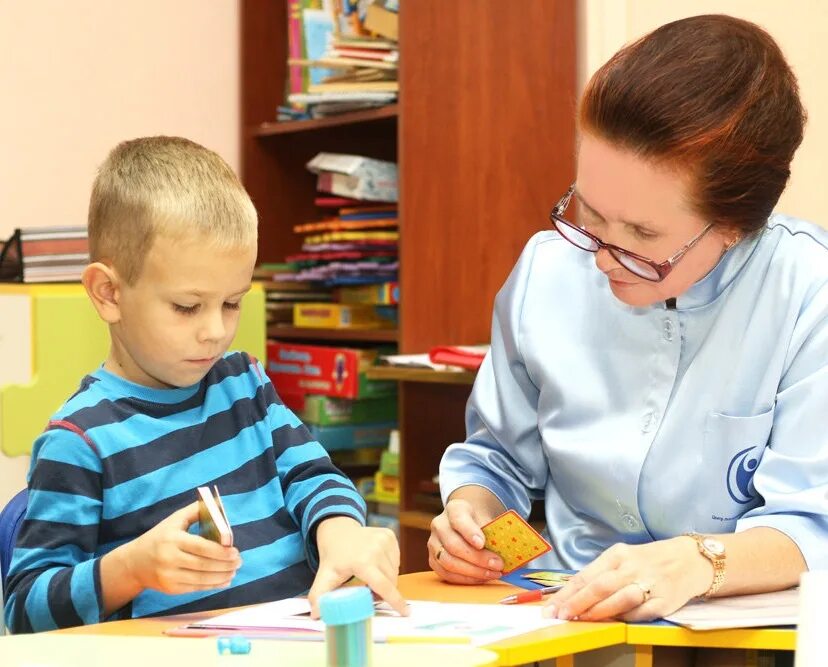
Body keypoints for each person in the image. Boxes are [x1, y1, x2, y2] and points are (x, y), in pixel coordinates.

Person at [431, 14, 827, 623]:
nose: (602, 257)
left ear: (735, 228)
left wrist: (699, 562)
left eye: (642, 234)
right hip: (569, 613)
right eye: (589, 212)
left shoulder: (805, 290)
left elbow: (811, 519)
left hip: (743, 629)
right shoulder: (547, 271)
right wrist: (471, 513)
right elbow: (498, 458)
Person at [4, 136, 407, 634]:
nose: (215, 330)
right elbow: (22, 614)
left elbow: (313, 477)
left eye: (233, 302)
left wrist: (339, 529)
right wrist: (129, 570)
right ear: (109, 294)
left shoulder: (246, 385)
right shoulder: (80, 441)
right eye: (187, 307)